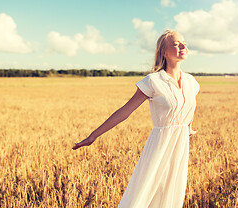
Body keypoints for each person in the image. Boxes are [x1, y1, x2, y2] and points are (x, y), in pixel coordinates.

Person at [72, 29, 200, 207]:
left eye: (184, 43)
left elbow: (187, 107)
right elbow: (124, 112)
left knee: (171, 196)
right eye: (176, 44)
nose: (182, 46)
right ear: (164, 52)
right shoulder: (153, 81)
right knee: (143, 194)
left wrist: (188, 127)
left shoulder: (192, 83)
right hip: (160, 145)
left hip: (180, 146)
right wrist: (93, 136)